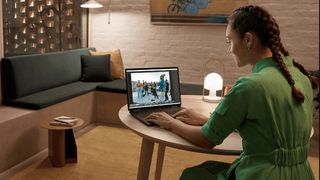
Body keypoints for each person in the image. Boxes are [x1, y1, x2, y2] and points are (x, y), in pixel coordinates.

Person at [146, 5, 318, 180]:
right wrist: (207, 120)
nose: (229, 49)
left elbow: (206, 140)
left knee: (191, 175)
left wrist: (170, 123)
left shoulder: (249, 86)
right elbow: (268, 127)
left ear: (248, 39)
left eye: (229, 40)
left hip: (261, 175)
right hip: (302, 174)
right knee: (209, 168)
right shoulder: (300, 77)